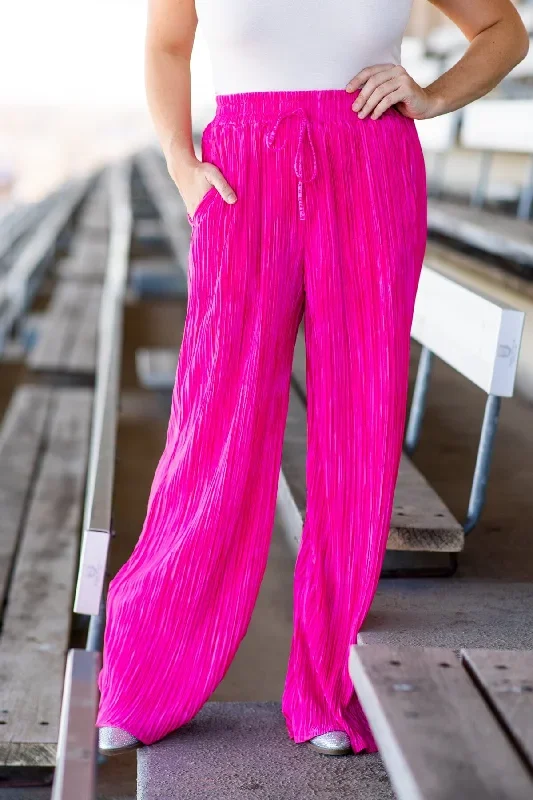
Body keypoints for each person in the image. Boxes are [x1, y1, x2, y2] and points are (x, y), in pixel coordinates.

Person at [97, 0, 528, 757]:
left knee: (356, 422)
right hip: (239, 176)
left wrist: (429, 96)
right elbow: (167, 44)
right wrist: (179, 160)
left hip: (370, 167)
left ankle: (325, 688)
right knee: (214, 422)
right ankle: (145, 676)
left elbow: (503, 31)